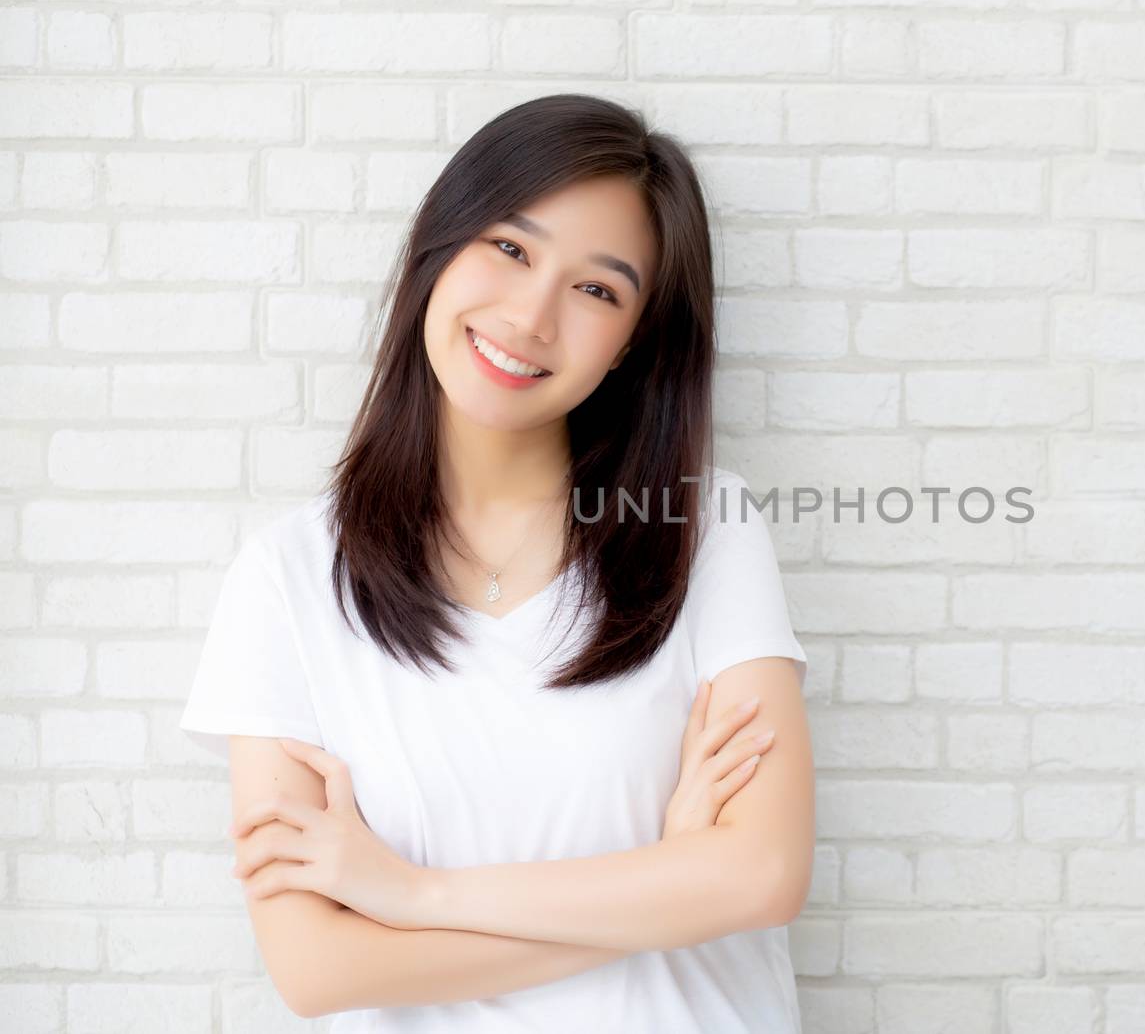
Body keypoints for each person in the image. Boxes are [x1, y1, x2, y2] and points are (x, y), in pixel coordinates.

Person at [178, 94, 813, 1032]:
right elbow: (317, 969)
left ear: (633, 338)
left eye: (598, 289)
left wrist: (409, 893)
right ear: (440, 246)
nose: (529, 316)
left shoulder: (704, 529)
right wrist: (665, 883)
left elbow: (759, 875)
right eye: (510, 249)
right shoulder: (287, 578)